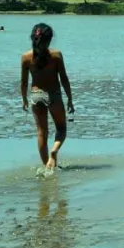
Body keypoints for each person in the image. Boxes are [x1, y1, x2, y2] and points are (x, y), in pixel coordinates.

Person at [20, 23, 75, 169]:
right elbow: (64, 78)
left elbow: (24, 82)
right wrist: (70, 98)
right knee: (61, 128)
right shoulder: (56, 55)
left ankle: (47, 167)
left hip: (36, 95)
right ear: (50, 40)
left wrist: (24, 99)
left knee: (41, 132)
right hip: (54, 95)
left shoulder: (26, 57)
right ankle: (54, 151)